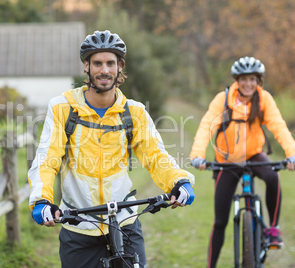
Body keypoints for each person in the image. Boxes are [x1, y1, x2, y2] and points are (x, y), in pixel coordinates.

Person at [28, 30, 195, 268]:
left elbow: (155, 155)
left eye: (110, 63)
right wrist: (42, 200)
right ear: (86, 66)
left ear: (120, 67)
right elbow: (48, 158)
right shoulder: (62, 108)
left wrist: (178, 181)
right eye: (97, 63)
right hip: (78, 225)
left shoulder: (133, 112)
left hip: (124, 221)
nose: (104, 70)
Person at [189, 56, 295, 268]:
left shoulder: (264, 99)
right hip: (228, 160)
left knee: (272, 175)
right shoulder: (223, 99)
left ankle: (273, 229)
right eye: (243, 79)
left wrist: (292, 152)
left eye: (252, 79)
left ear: (258, 81)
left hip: (254, 154)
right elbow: (207, 126)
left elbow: (278, 126)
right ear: (236, 80)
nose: (248, 84)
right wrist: (198, 154)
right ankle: (210, 266)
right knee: (220, 221)